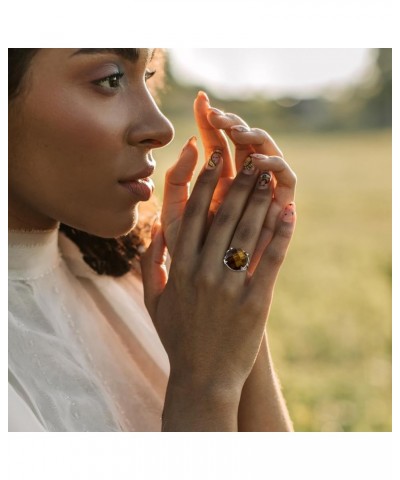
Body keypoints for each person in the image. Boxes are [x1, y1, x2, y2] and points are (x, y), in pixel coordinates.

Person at [8, 48, 297, 432]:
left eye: (148, 76)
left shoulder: (139, 275)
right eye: (110, 79)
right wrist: (203, 385)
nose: (161, 129)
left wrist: (229, 294)